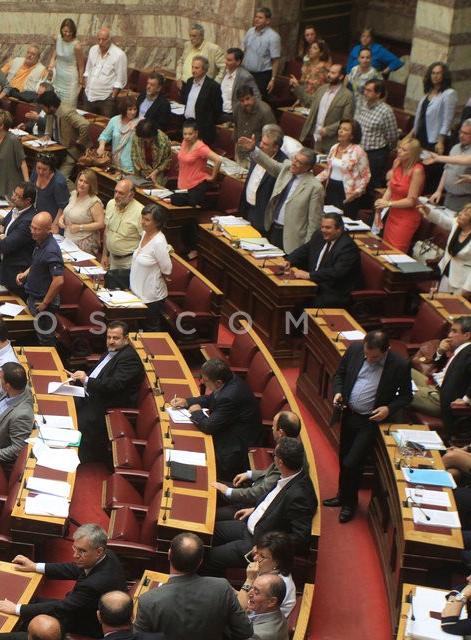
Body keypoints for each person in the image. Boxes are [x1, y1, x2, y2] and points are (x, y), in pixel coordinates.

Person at [327, 330, 412, 523]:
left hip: (369, 420)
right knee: (343, 458)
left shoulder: (399, 365)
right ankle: (342, 495)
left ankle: (350, 503)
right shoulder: (356, 349)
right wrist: (338, 393)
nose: (369, 359)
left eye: (374, 357)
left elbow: (407, 396)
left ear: (386, 350)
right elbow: (339, 374)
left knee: (353, 463)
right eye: (367, 354)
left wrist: (388, 409)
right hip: (349, 413)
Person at [201, 437, 317, 574]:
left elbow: (301, 537)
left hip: (256, 545)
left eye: (274, 455)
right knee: (206, 532)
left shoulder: (300, 495)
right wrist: (254, 510)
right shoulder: (290, 475)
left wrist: (267, 548)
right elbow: (272, 502)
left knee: (207, 558)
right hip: (250, 526)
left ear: (280, 462)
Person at [0, 524, 127, 638]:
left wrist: (16, 609)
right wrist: (35, 566)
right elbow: (73, 569)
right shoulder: (107, 555)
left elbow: (62, 608)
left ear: (98, 551)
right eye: (75, 549)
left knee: (36, 627)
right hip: (79, 605)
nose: (75, 555)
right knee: (33, 604)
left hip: (87, 621)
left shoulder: (94, 584)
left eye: (82, 551)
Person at [133, 532, 252, 640]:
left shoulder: (148, 601)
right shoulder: (222, 587)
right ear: (200, 561)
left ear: (169, 555)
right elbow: (244, 631)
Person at [170, 357, 262, 480]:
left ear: (218, 382)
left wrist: (196, 412)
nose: (201, 382)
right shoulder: (228, 381)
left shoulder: (230, 396)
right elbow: (210, 399)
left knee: (196, 459)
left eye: (204, 380)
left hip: (236, 448)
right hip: (229, 432)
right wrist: (186, 402)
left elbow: (209, 427)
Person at [70, 321, 144, 464]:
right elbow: (99, 374)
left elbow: (114, 384)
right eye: (109, 337)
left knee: (74, 420)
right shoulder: (112, 351)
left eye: (115, 338)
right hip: (93, 393)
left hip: (107, 403)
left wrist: (86, 381)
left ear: (126, 339)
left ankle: (79, 458)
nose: (111, 341)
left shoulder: (129, 359)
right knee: (62, 403)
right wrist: (83, 377)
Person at [237, 135, 323, 253]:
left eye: (299, 163)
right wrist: (254, 150)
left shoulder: (315, 188)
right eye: (295, 159)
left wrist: (306, 249)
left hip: (293, 240)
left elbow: (314, 223)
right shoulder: (287, 168)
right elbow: (270, 164)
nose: (294, 163)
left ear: (307, 168)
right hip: (273, 229)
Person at [211, 411, 302, 518]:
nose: (272, 428)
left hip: (253, 503)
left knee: (212, 515)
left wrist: (228, 491)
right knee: (212, 485)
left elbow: (260, 492)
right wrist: (250, 474)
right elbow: (269, 473)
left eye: (274, 425)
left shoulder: (286, 457)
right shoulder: (290, 448)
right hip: (253, 488)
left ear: (281, 432)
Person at [17, 211, 64, 346]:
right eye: (32, 227)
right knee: (37, 334)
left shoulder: (51, 250)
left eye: (37, 229)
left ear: (48, 229)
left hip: (43, 302)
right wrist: (25, 273)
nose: (32, 231)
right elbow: (38, 263)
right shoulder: (40, 241)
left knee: (46, 339)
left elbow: (59, 280)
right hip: (34, 297)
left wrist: (45, 303)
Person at [0, 182, 36, 294]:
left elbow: (6, 246)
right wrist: (1, 236)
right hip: (2, 268)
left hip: (15, 275)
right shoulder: (15, 210)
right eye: (13, 193)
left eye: (17, 196)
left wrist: (0, 237)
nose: (12, 197)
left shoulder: (29, 220)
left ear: (27, 200)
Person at [411, 61, 456, 192]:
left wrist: (441, 141)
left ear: (444, 75)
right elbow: (421, 117)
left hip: (435, 140)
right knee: (417, 168)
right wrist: (411, 135)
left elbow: (447, 119)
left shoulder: (449, 94)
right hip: (421, 136)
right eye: (433, 73)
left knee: (429, 171)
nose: (435, 76)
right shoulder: (428, 92)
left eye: (439, 73)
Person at [375, 137, 425, 252]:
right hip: (393, 213)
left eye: (404, 150)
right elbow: (391, 189)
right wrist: (380, 205)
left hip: (406, 218)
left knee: (396, 251)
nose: (399, 151)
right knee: (385, 248)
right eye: (400, 148)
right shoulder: (397, 162)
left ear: (412, 154)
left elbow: (411, 201)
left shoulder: (417, 171)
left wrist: (388, 203)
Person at [235, 532, 296, 619]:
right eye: (256, 553)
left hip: (255, 623)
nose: (255, 558)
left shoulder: (279, 584)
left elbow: (241, 610)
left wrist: (249, 580)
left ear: (276, 562)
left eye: (262, 556)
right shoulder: (267, 569)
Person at [296, 63, 355, 153]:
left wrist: (328, 130)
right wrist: (297, 87)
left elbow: (346, 120)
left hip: (332, 140)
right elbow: (309, 101)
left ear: (341, 76)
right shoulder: (322, 89)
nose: (329, 75)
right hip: (316, 137)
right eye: (329, 72)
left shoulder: (347, 96)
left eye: (333, 73)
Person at [239, 124, 287, 235]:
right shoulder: (256, 153)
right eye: (261, 141)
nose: (260, 145)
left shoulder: (283, 164)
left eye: (265, 144)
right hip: (247, 208)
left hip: (262, 214)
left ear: (275, 147)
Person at [318, 119, 371, 218]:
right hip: (331, 188)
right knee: (328, 217)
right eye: (340, 128)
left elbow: (366, 176)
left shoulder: (358, 151)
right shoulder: (334, 148)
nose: (340, 131)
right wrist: (313, 180)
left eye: (345, 129)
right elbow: (327, 171)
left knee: (343, 221)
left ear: (352, 135)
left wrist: (356, 193)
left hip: (348, 192)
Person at [130, 205, 172, 331]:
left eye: (147, 220)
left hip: (151, 296)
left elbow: (167, 269)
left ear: (157, 222)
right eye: (142, 218)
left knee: (151, 330)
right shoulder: (145, 234)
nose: (142, 222)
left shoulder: (159, 242)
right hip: (137, 290)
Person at [355, 78, 399, 192]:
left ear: (378, 94)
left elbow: (392, 136)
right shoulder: (363, 105)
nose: (365, 93)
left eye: (369, 91)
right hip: (360, 150)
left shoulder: (386, 111)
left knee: (371, 184)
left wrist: (385, 150)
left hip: (375, 154)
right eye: (365, 89)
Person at [37, 89, 91, 176]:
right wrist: (47, 134)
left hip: (72, 151)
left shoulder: (67, 112)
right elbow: (49, 121)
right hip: (58, 148)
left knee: (62, 178)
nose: (43, 110)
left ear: (51, 106)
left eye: (43, 107)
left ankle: (74, 190)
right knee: (43, 169)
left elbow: (85, 124)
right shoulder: (51, 112)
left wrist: (80, 140)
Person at [420, 203, 471, 295]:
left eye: (465, 214)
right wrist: (428, 210)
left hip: (461, 282)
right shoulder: (456, 224)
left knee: (452, 307)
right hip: (446, 273)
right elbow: (442, 220)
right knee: (439, 301)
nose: (460, 214)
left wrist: (467, 288)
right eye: (462, 211)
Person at [173, 119, 222, 208]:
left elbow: (218, 160)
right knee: (173, 201)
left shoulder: (201, 147)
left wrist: (213, 177)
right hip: (182, 184)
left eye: (190, 134)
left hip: (195, 186)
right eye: (185, 134)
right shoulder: (184, 142)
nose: (187, 136)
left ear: (196, 133)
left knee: (179, 204)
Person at [425, 119, 471, 211]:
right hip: (448, 196)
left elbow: (464, 159)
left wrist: (438, 158)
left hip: (465, 199)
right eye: (461, 132)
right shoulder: (455, 147)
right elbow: (447, 170)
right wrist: (438, 190)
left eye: (466, 133)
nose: (461, 136)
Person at [100, 178, 143, 278]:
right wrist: (104, 255)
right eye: (115, 192)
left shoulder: (140, 212)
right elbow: (107, 231)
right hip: (112, 259)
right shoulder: (111, 204)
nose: (116, 196)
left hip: (129, 263)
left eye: (121, 193)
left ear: (131, 195)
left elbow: (146, 240)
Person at [57, 169, 105, 255]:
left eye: (86, 182)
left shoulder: (94, 202)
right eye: (80, 180)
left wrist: (80, 227)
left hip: (84, 242)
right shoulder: (74, 194)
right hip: (68, 237)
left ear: (91, 185)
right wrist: (61, 218)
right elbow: (68, 211)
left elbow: (100, 223)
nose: (82, 184)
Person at [82, 27, 128, 117]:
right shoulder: (93, 50)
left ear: (111, 40)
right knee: (87, 124)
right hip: (89, 95)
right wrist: (85, 85)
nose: (100, 42)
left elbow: (120, 80)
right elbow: (88, 70)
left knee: (104, 126)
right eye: (99, 39)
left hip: (106, 99)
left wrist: (113, 96)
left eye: (104, 40)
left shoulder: (119, 55)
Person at [180, 57, 222, 147]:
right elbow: (184, 100)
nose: (193, 70)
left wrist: (207, 123)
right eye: (192, 67)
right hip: (187, 124)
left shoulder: (212, 87)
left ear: (205, 70)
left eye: (197, 68)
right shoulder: (190, 81)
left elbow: (217, 110)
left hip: (203, 128)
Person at [241, 7, 281, 99]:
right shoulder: (250, 31)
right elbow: (245, 49)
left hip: (261, 76)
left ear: (267, 20)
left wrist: (273, 79)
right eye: (256, 17)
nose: (257, 19)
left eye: (260, 17)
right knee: (242, 98)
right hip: (246, 72)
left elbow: (276, 60)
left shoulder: (273, 37)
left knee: (256, 100)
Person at [0, 109, 28, 198]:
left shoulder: (14, 140)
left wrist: (27, 185)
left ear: (1, 125)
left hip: (10, 184)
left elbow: (22, 162)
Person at [232, 86, 276, 164]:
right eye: (242, 101)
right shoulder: (238, 108)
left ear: (253, 97)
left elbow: (272, 136)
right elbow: (236, 129)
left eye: (247, 98)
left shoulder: (265, 112)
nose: (245, 103)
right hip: (241, 153)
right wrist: (236, 152)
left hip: (257, 156)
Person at [96, 96, 140, 173]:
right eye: (130, 109)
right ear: (123, 109)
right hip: (115, 163)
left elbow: (145, 141)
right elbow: (104, 136)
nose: (133, 112)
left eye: (135, 109)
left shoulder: (140, 122)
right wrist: (101, 146)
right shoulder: (115, 120)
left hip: (132, 165)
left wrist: (137, 131)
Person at [176, 23, 225, 90]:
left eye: (194, 36)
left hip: (203, 87)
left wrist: (214, 84)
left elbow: (224, 68)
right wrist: (178, 78)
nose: (191, 38)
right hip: (184, 84)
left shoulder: (213, 49)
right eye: (190, 36)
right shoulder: (187, 45)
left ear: (202, 36)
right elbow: (181, 62)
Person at [49, 18, 84, 106]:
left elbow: (81, 65)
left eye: (70, 32)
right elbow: (56, 50)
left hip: (70, 79)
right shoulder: (57, 38)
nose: (67, 34)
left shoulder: (77, 46)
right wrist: (52, 61)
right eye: (65, 31)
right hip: (58, 77)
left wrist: (81, 80)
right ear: (61, 30)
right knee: (55, 104)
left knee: (67, 106)